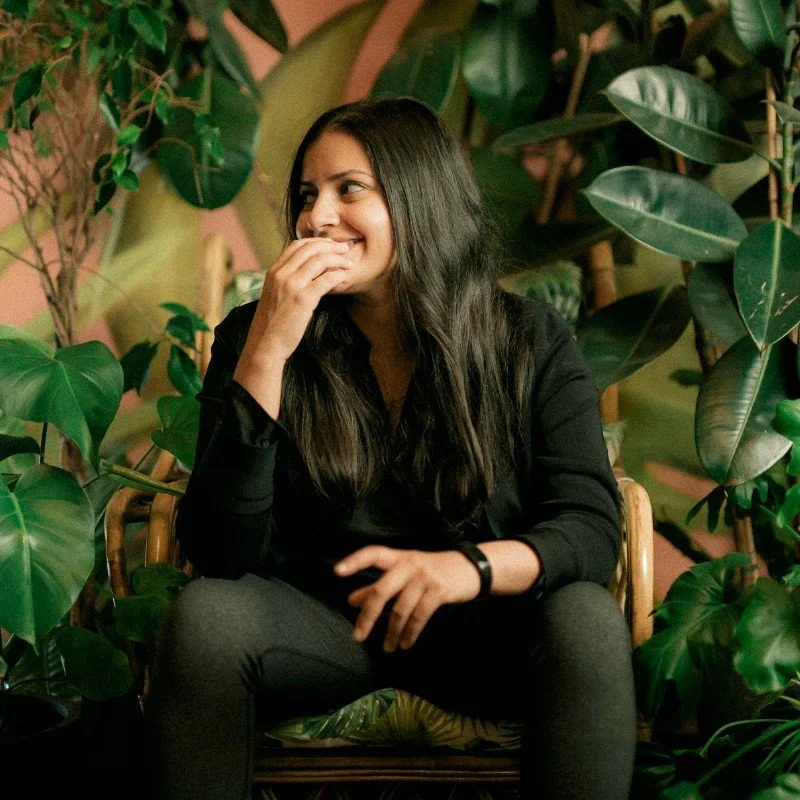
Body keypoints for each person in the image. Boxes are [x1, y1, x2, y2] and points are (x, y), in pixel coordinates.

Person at [145, 96, 636, 799]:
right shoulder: (258, 335)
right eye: (308, 196)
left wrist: (465, 570)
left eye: (350, 191)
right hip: (324, 629)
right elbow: (221, 552)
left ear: (418, 199)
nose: (317, 217)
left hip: (484, 631)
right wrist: (269, 354)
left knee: (586, 619)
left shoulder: (528, 340)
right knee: (206, 617)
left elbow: (589, 525)